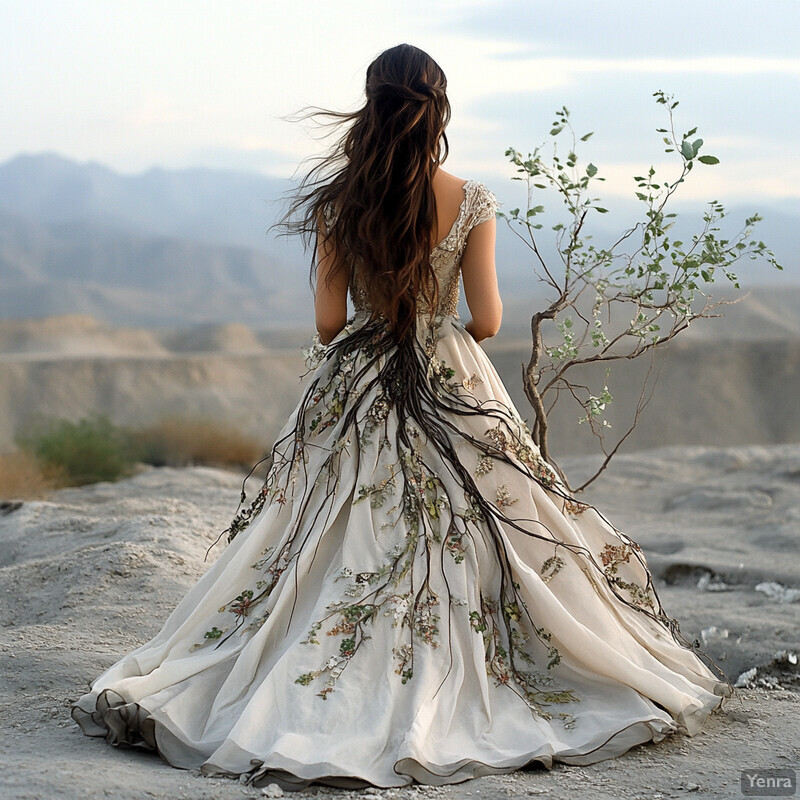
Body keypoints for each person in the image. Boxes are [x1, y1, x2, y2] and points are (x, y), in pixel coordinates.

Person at [71, 43, 734, 791]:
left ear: (370, 103)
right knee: (491, 522)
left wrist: (371, 313)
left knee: (325, 525)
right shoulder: (472, 199)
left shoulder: (336, 203)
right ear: (438, 109)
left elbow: (327, 321)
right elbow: (487, 318)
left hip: (356, 377)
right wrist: (438, 319)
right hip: (449, 373)